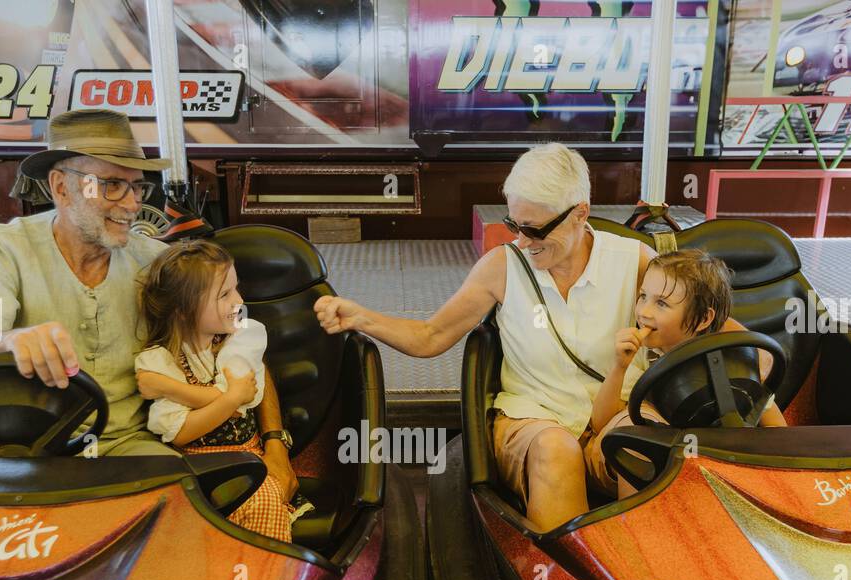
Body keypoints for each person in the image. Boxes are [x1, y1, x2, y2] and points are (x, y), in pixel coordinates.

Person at [0, 108, 298, 501]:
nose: (132, 205)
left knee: (179, 510)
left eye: (136, 187)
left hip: (126, 446)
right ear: (62, 186)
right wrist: (13, 339)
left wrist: (276, 443)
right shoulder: (3, 247)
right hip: (18, 443)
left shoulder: (155, 262)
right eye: (113, 186)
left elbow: (242, 343)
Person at [314, 142, 672, 530]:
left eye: (536, 229)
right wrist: (361, 317)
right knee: (556, 450)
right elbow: (430, 336)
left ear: (580, 213)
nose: (523, 241)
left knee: (641, 442)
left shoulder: (634, 260)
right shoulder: (502, 267)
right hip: (534, 418)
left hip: (619, 411)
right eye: (515, 225)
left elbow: (701, 319)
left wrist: (749, 358)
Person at [135, 240, 306, 542]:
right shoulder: (160, 359)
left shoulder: (238, 338)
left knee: (262, 500)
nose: (239, 300)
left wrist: (168, 388)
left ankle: (264, 579)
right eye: (225, 294)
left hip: (249, 455)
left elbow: (245, 398)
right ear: (185, 311)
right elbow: (180, 433)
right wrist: (229, 397)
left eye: (236, 288)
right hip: (198, 466)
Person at [589, 249, 785, 495]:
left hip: (719, 475)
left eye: (661, 303)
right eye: (642, 296)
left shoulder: (729, 363)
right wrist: (619, 367)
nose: (643, 312)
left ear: (703, 318)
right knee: (636, 442)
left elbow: (774, 424)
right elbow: (600, 423)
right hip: (653, 473)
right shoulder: (636, 353)